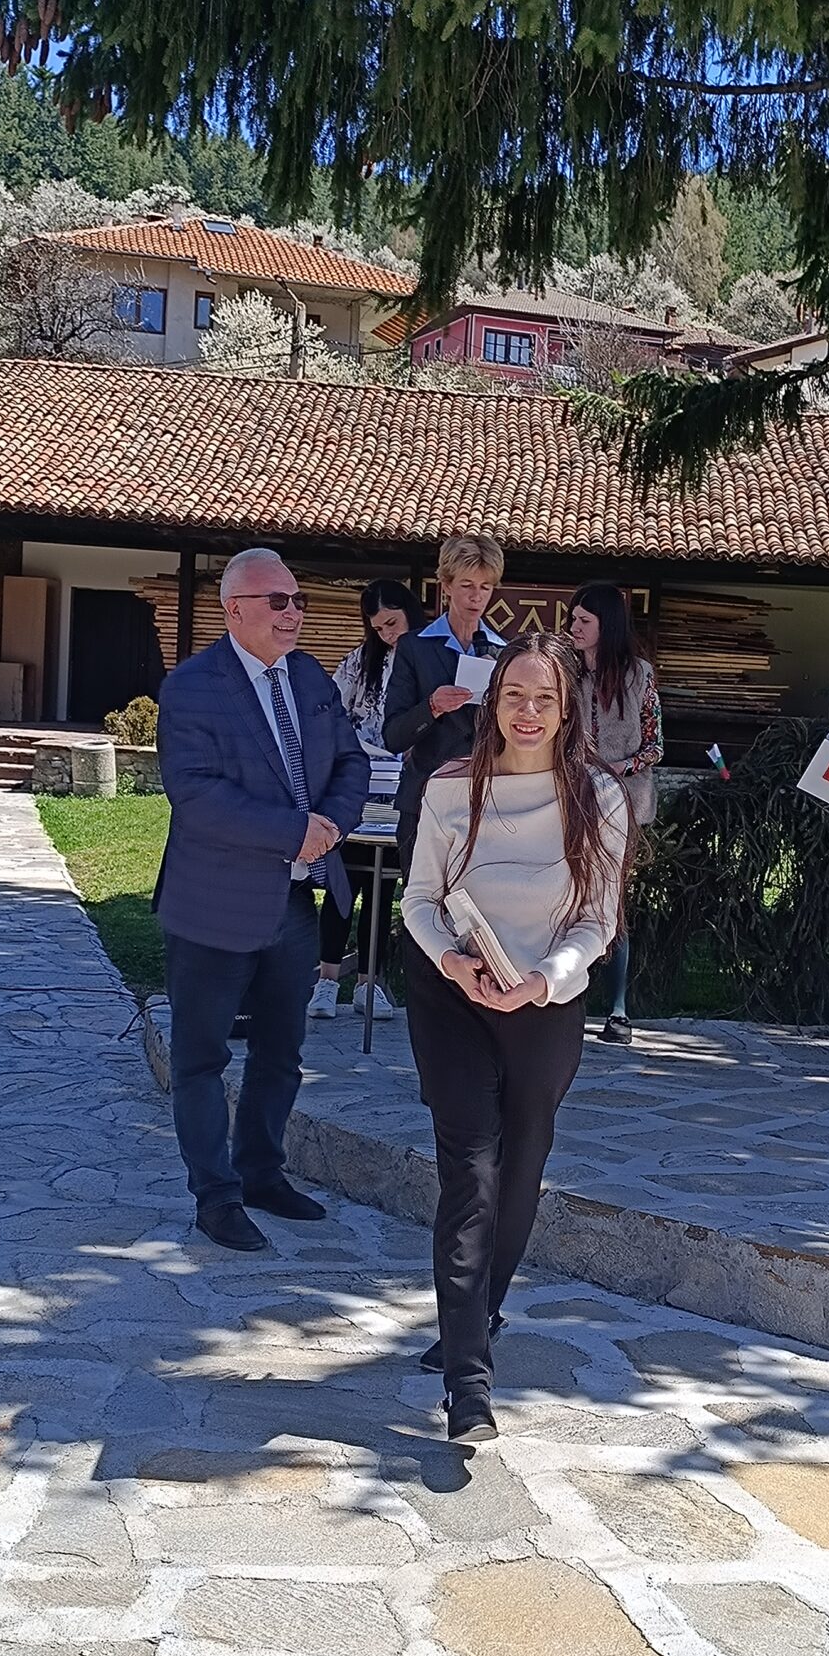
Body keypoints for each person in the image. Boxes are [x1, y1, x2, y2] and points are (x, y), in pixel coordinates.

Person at [403, 630, 631, 1445]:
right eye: (514, 695)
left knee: (522, 1166)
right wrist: (452, 963)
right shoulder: (450, 787)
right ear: (492, 702)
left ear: (568, 710)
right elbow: (418, 900)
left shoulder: (598, 797)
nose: (527, 711)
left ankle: (479, 1312)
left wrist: (543, 981)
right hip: (453, 995)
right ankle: (469, 1388)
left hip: (544, 1000)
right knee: (470, 1170)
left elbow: (597, 921)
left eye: (545, 698)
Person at [154, 547, 370, 1249]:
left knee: (282, 1052)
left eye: (298, 599)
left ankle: (261, 1172)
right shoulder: (193, 687)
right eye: (278, 601)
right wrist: (291, 832)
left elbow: (351, 760)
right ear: (235, 609)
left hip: (293, 904)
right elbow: (196, 794)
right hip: (212, 906)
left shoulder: (308, 676)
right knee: (201, 1058)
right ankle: (215, 1197)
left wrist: (330, 824)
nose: (293, 612)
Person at [312, 577, 427, 1021]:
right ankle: (326, 981)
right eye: (378, 628)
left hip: (404, 785)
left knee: (382, 889)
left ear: (410, 614)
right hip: (357, 784)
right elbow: (330, 713)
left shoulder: (429, 658)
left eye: (393, 623)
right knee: (343, 883)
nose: (387, 634)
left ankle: (369, 983)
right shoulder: (359, 662)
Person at [567, 581, 662, 1044]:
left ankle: (619, 1010)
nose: (574, 627)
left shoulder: (639, 675)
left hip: (623, 804)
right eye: (572, 619)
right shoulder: (565, 671)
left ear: (607, 625)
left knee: (611, 900)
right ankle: (565, 1000)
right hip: (571, 798)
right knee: (566, 897)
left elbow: (655, 745)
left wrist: (616, 768)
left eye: (584, 620)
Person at [381, 532, 507, 875]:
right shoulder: (414, 648)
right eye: (467, 585)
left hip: (483, 804)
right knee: (421, 903)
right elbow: (393, 736)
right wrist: (432, 707)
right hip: (424, 798)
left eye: (485, 587)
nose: (476, 596)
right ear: (446, 585)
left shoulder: (505, 652)